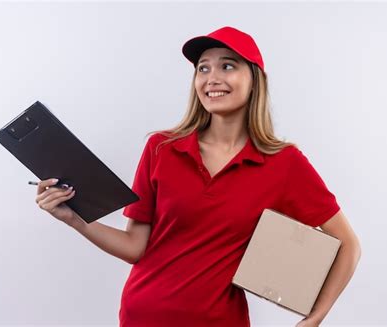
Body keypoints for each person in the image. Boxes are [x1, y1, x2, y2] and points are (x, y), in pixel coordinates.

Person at [35, 26, 361, 327]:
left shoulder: (283, 163)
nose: (211, 78)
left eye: (228, 66)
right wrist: (75, 220)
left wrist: (314, 319)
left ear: (255, 79)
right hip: (142, 316)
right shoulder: (162, 148)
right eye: (203, 68)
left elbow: (348, 244)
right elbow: (135, 247)